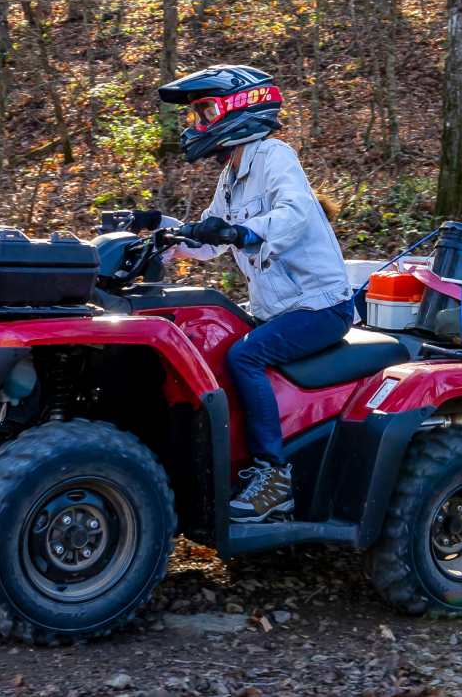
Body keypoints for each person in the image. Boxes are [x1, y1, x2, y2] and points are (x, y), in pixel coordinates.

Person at [132, 65, 353, 523]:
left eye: (205, 112)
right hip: (278, 309)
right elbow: (210, 239)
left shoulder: (274, 155)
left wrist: (244, 231)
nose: (197, 123)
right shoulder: (231, 176)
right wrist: (162, 231)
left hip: (322, 305)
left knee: (246, 356)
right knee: (215, 341)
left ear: (241, 109)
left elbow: (294, 213)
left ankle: (274, 479)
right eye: (195, 115)